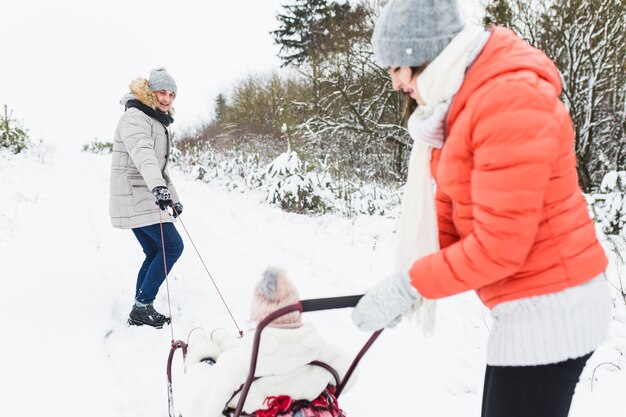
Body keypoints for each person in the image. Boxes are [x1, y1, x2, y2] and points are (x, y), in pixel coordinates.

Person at [350, 1, 611, 416]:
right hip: (529, 308)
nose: (396, 83)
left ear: (423, 54)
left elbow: (499, 247)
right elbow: (449, 211)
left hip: (555, 310)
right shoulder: (464, 103)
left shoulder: (507, 101)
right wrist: (404, 285)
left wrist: (413, 284)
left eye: (395, 68)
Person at [181, 268, 353, 417]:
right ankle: (221, 339)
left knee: (202, 364)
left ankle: (203, 345)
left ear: (257, 318)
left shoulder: (237, 365)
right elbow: (350, 377)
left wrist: (199, 368)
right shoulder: (322, 353)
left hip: (237, 388)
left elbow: (195, 410)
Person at [109, 67, 184, 329]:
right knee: (173, 246)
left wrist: (171, 196)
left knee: (155, 250)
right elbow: (143, 155)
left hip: (144, 193)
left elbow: (160, 169)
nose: (166, 98)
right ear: (149, 92)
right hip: (135, 193)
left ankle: (141, 307)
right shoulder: (135, 117)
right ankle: (142, 307)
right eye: (161, 92)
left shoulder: (155, 120)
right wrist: (157, 189)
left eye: (171, 94)